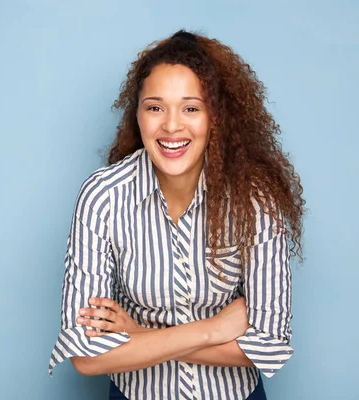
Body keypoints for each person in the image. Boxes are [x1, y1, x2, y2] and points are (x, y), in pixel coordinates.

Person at [48, 30, 305, 400]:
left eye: (191, 108)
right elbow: (87, 358)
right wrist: (212, 330)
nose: (171, 126)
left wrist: (139, 335)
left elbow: (268, 345)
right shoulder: (102, 197)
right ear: (136, 114)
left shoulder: (255, 199)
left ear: (216, 117)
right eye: (155, 107)